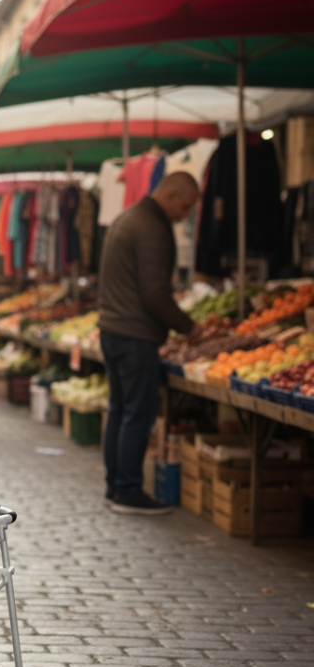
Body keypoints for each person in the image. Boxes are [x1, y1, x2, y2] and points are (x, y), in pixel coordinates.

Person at [99, 171, 201, 516]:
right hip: (135, 335)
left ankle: (116, 485)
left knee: (120, 411)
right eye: (185, 207)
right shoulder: (152, 227)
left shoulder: (128, 217)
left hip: (113, 329)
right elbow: (155, 293)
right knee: (137, 416)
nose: (184, 215)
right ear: (172, 196)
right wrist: (189, 328)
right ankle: (127, 490)